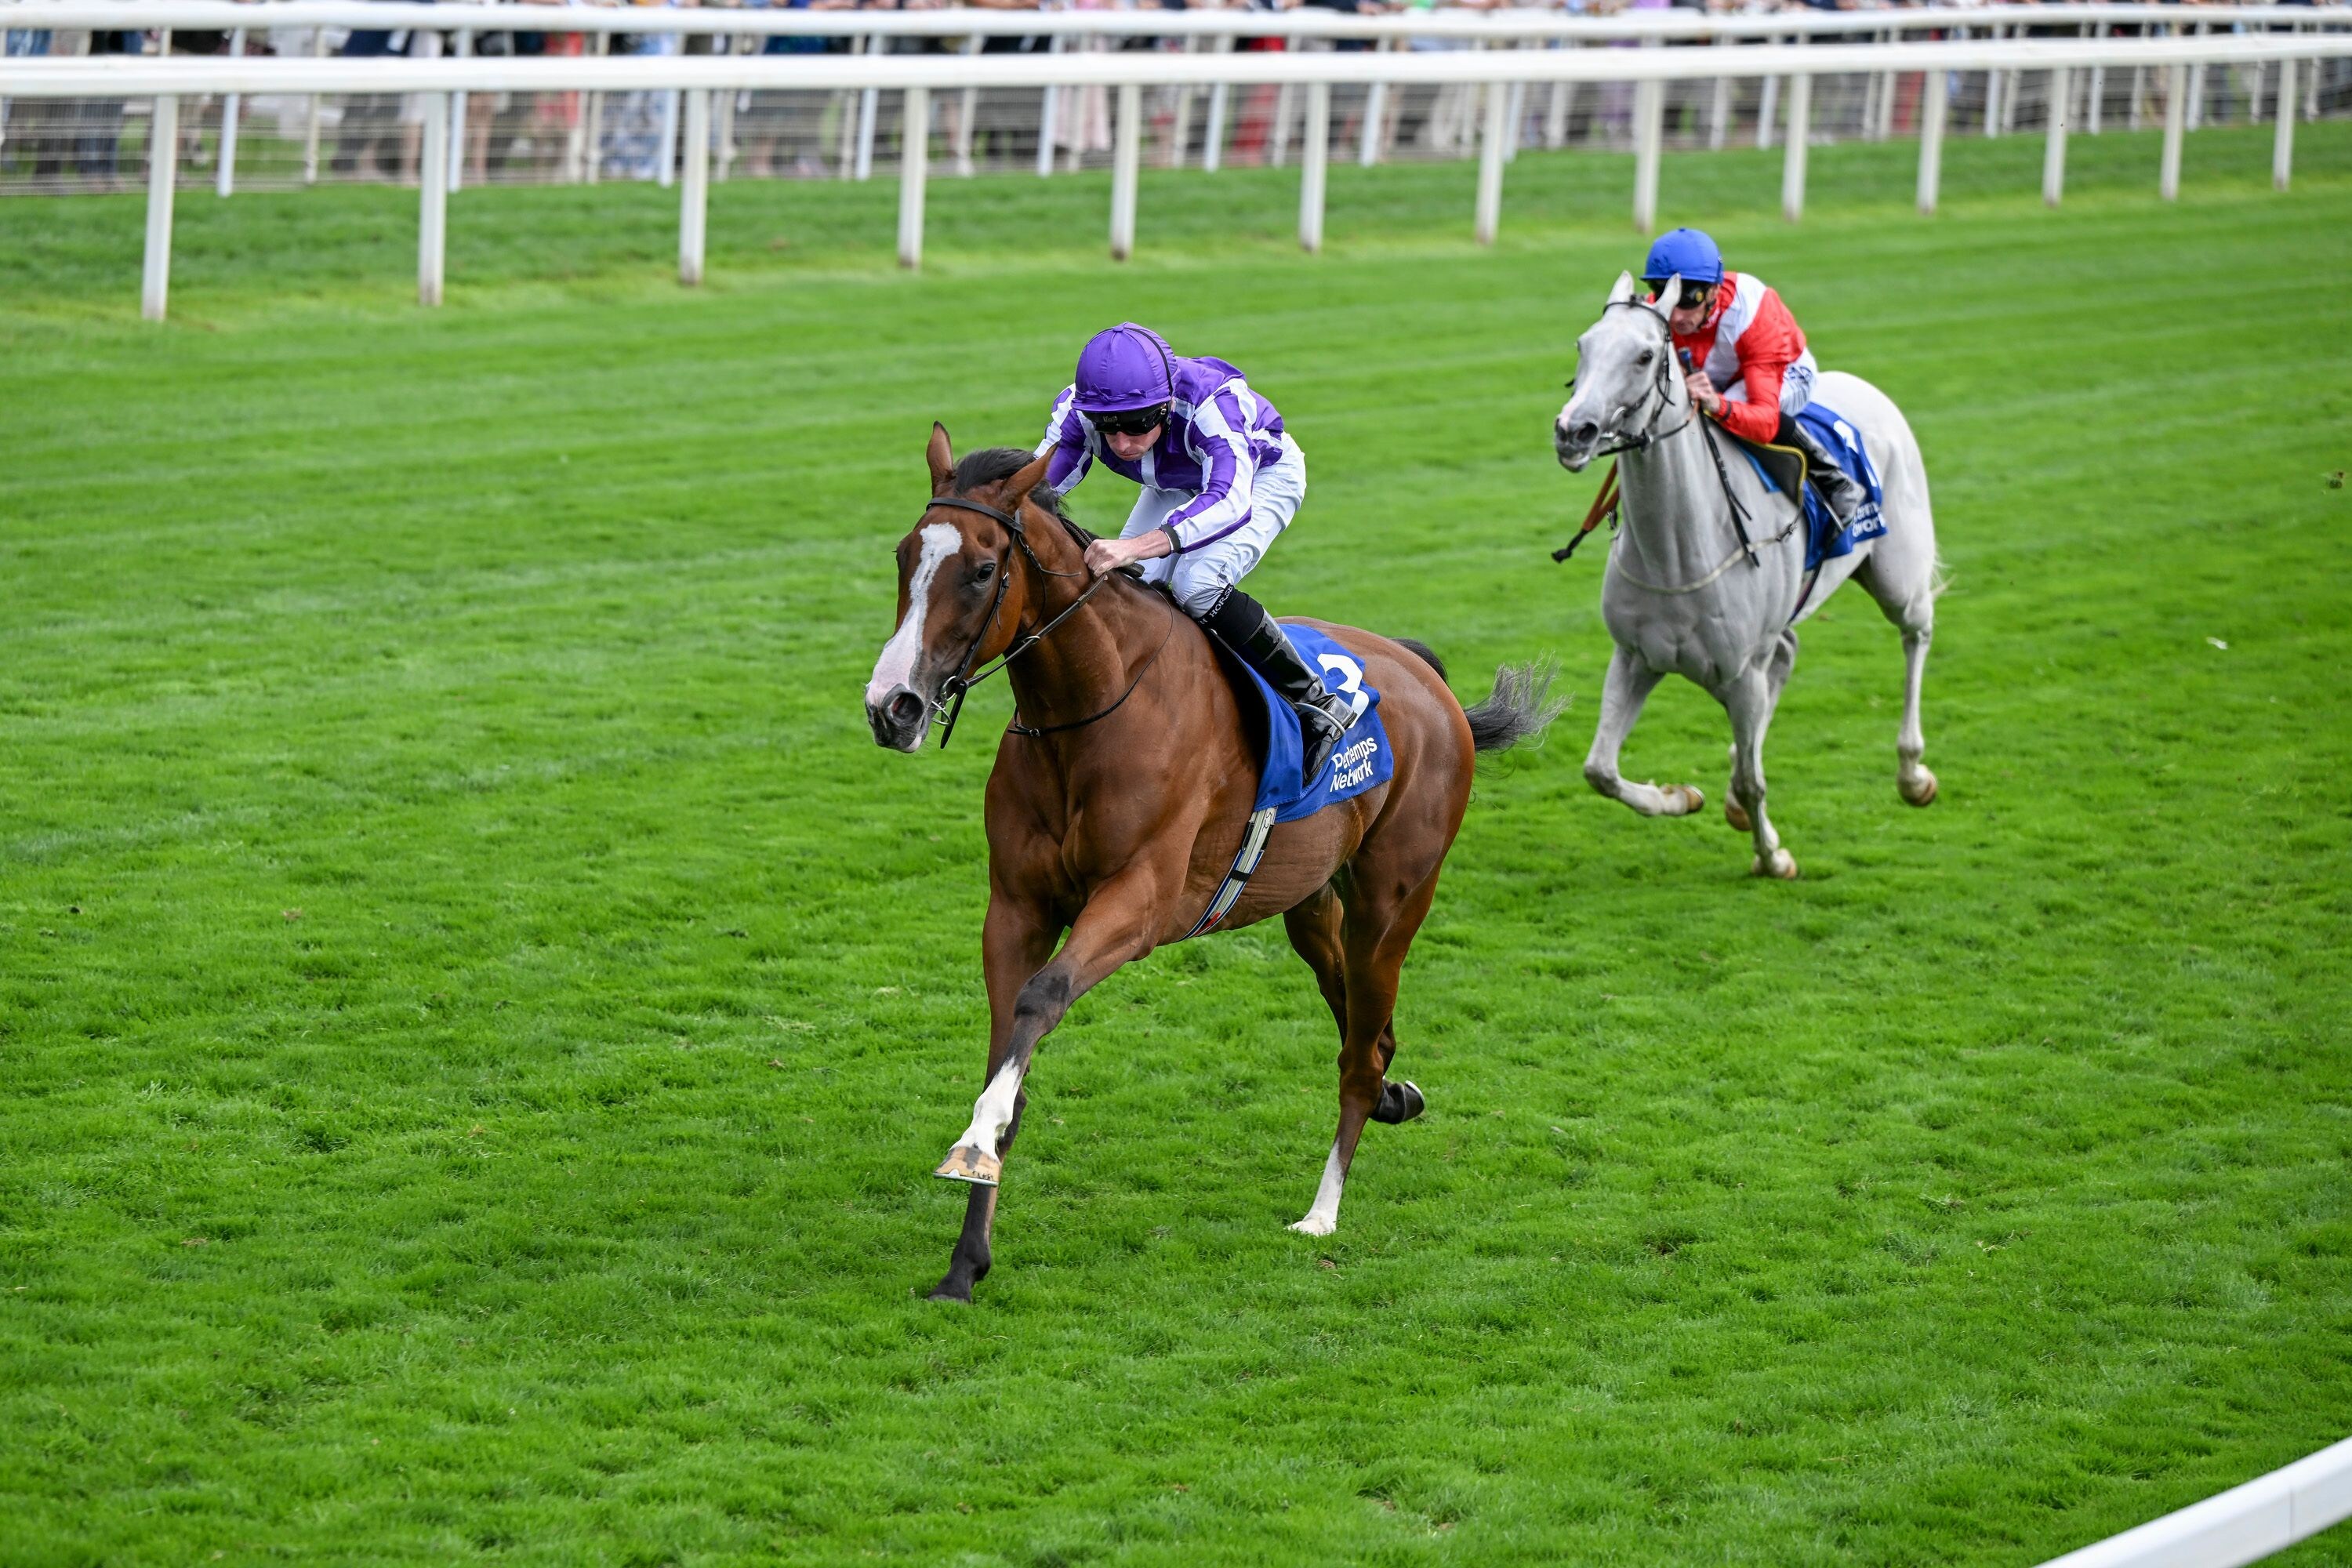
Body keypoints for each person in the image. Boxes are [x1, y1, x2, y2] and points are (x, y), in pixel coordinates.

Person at [1038, 323, 1358, 785]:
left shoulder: (1212, 403)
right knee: (1131, 588)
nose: (1124, 443)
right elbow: (1036, 488)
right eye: (1109, 428)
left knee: (1196, 584)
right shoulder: (1078, 409)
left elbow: (1230, 499)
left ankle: (1317, 704)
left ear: (1166, 405)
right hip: (1176, 480)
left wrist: (1133, 546)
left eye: (1138, 424)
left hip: (1259, 478)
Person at [1640, 226, 1866, 525]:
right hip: (1720, 372)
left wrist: (1717, 405)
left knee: (1722, 415)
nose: (1677, 316)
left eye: (1689, 300)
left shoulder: (1752, 314)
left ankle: (1835, 481)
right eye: (1667, 297)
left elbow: (1765, 419)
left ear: (1713, 292)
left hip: (1787, 373)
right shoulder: (1659, 308)